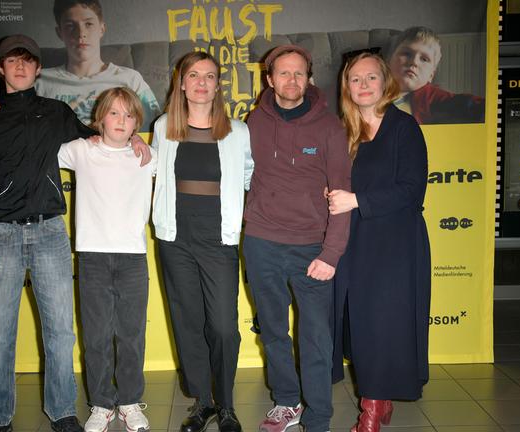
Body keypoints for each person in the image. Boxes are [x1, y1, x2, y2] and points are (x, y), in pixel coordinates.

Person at [0, 34, 92, 432]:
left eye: (27, 61)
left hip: (50, 233)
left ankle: (63, 411)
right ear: (0, 68)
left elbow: (97, 143)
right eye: (11, 61)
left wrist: (135, 144)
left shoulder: (57, 113)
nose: (20, 67)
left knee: (60, 332)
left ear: (37, 69)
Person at [243, 44, 352, 432]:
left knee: (316, 337)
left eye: (299, 73)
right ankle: (287, 402)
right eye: (283, 73)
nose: (291, 80)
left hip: (312, 248)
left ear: (309, 78)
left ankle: (319, 415)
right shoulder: (252, 122)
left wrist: (332, 253)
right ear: (270, 79)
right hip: (260, 243)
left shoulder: (329, 127)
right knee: (272, 331)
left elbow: (341, 195)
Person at [328, 52, 431, 432]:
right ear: (347, 87)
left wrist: (356, 200)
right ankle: (380, 396)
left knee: (382, 324)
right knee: (359, 325)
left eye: (371, 77)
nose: (364, 85)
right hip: (353, 241)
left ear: (384, 81)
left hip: (395, 244)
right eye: (356, 79)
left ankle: (370, 412)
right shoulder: (343, 131)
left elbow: (412, 190)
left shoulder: (404, 128)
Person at [151, 51, 253, 432]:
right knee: (188, 320)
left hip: (218, 237)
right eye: (193, 75)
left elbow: (249, 177)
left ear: (217, 85)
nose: (201, 83)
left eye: (209, 76)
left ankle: (226, 404)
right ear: (181, 82)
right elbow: (149, 168)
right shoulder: (163, 127)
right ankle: (204, 403)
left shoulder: (238, 131)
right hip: (175, 238)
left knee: (224, 326)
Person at [57, 87, 155, 432]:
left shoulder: (147, 156)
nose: (121, 121)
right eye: (114, 113)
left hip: (132, 258)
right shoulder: (80, 151)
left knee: (130, 334)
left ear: (136, 123)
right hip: (93, 258)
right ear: (101, 117)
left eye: (129, 116)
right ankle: (101, 404)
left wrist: (141, 141)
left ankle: (128, 401)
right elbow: (42, 141)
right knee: (96, 336)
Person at [35, 0, 161, 131]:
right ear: (60, 32)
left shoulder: (130, 80)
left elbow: (156, 131)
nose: (81, 33)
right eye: (70, 26)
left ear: (102, 29)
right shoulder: (41, 81)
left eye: (88, 24)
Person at [388, 26, 484, 125]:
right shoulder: (376, 87)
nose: (414, 62)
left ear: (431, 76)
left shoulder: (430, 96)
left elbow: (464, 103)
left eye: (424, 59)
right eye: (407, 54)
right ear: (389, 61)